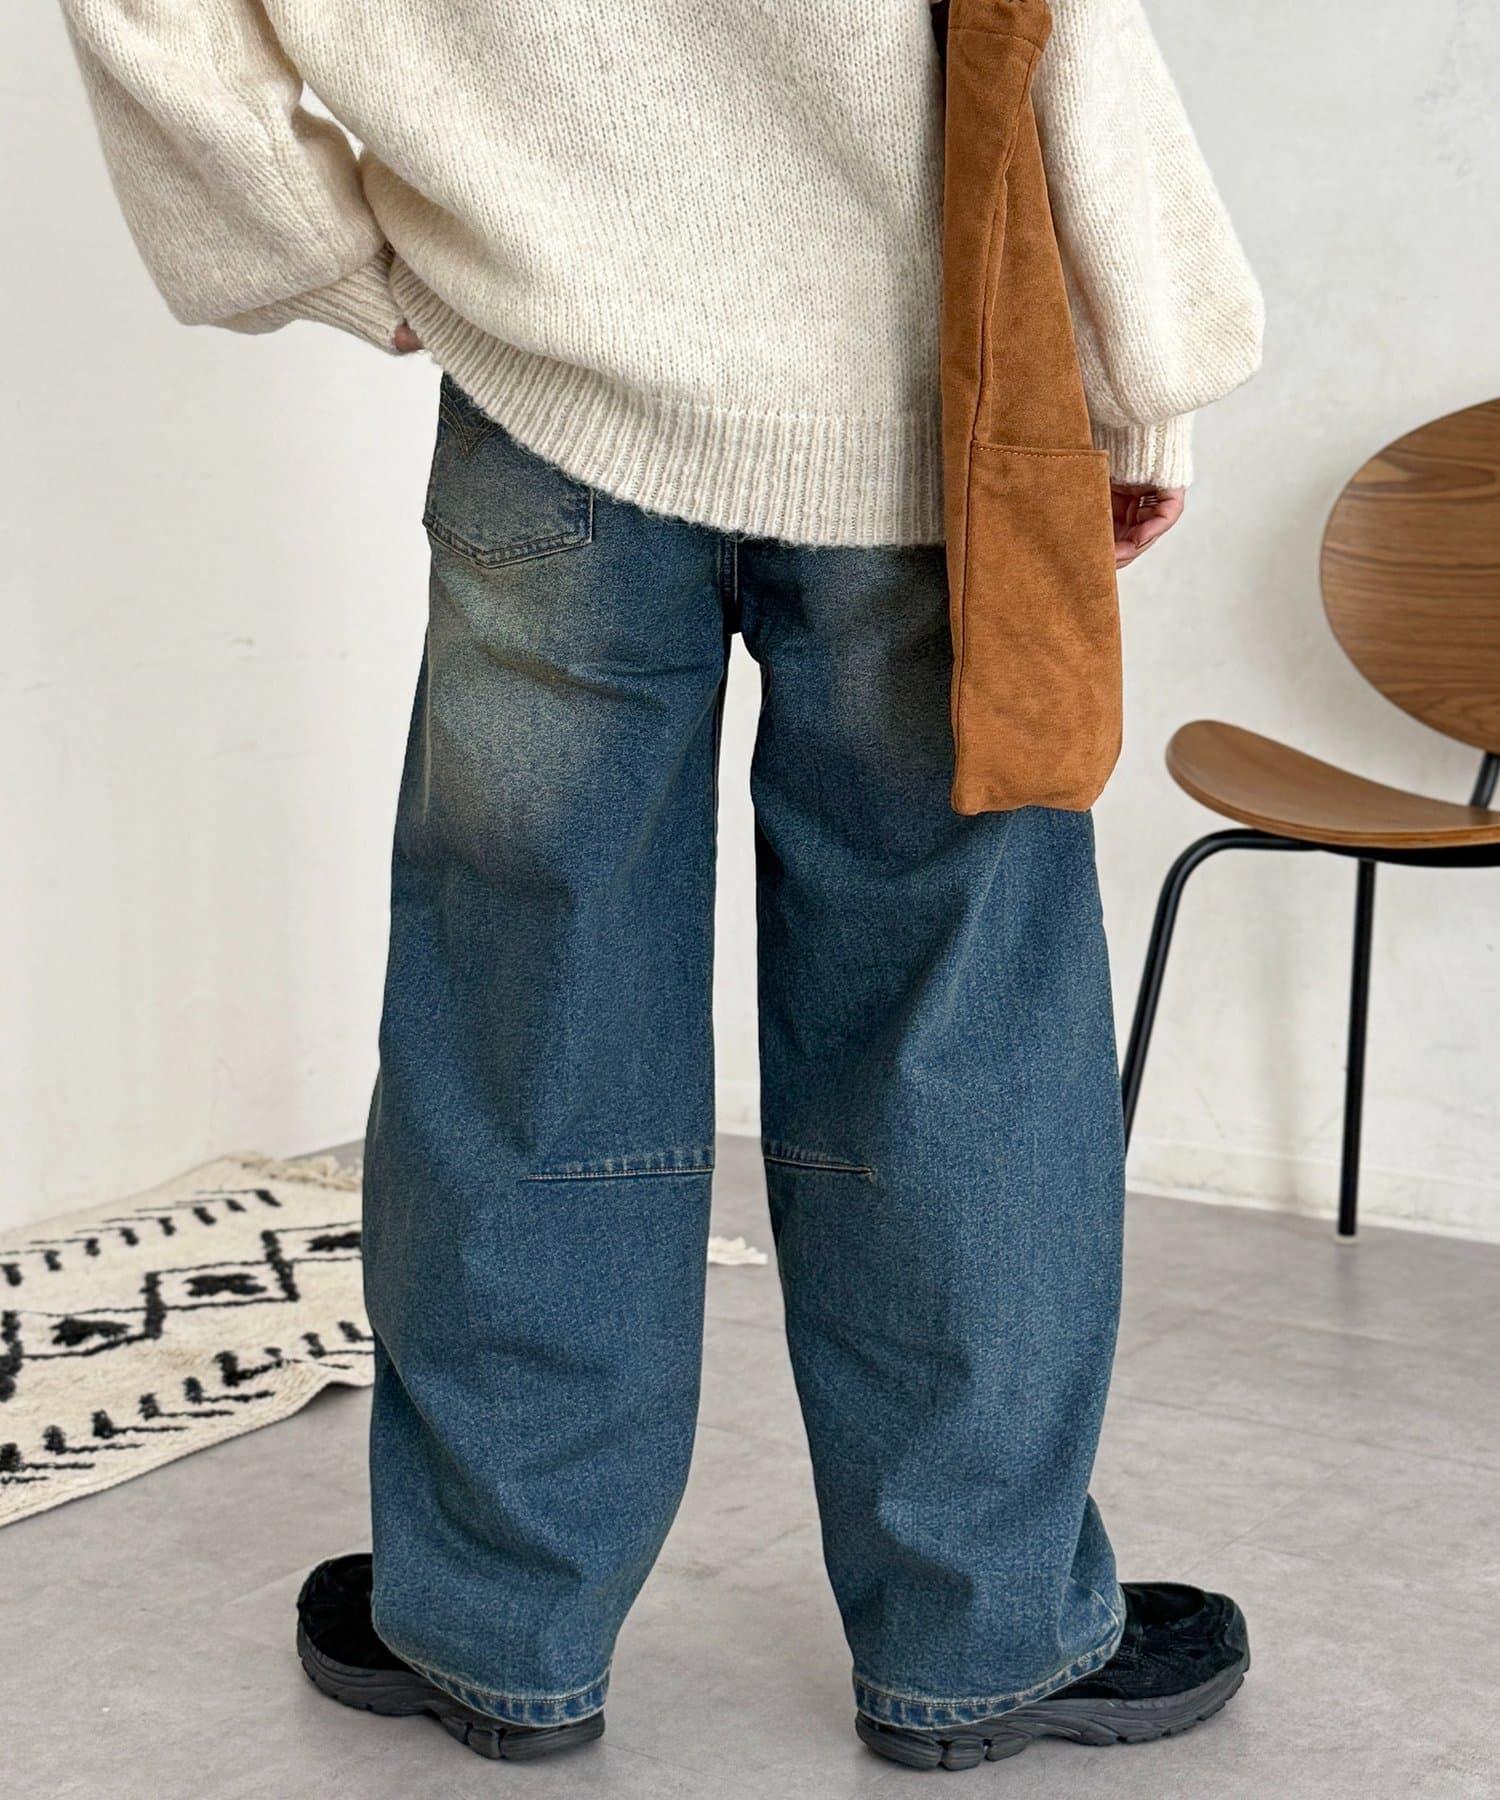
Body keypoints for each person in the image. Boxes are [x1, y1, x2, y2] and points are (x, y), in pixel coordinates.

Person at [60, 0, 1263, 1772]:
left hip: (544, 382)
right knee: (961, 1022)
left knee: (519, 1010)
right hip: (927, 394)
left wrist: (306, 240)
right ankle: (981, 1636)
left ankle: (495, 1626)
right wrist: (1140, 377)